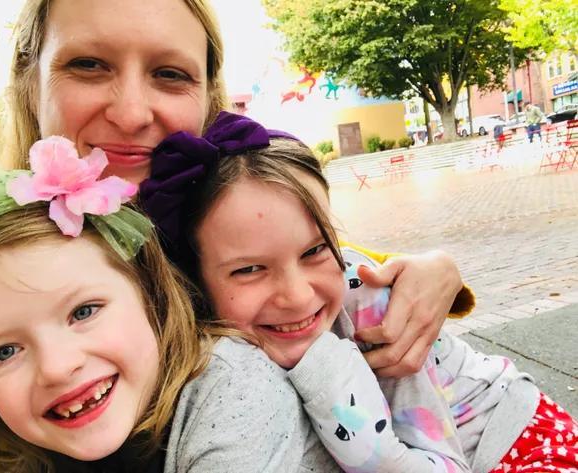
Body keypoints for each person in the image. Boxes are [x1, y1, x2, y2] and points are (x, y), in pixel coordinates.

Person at [0, 0, 474, 379]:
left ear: (207, 94)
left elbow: (329, 262)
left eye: (169, 74)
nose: (131, 114)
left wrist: (430, 272)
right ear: (28, 78)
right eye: (89, 65)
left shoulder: (209, 209)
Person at [146, 111, 577, 473]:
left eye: (316, 250)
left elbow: (444, 464)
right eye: (250, 269)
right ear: (194, 279)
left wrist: (330, 385)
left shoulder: (371, 305)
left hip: (523, 443)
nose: (297, 296)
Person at [0, 136, 342, 472]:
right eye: (4, 352)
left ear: (152, 294)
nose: (56, 367)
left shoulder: (234, 389)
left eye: (83, 312)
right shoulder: (22, 450)